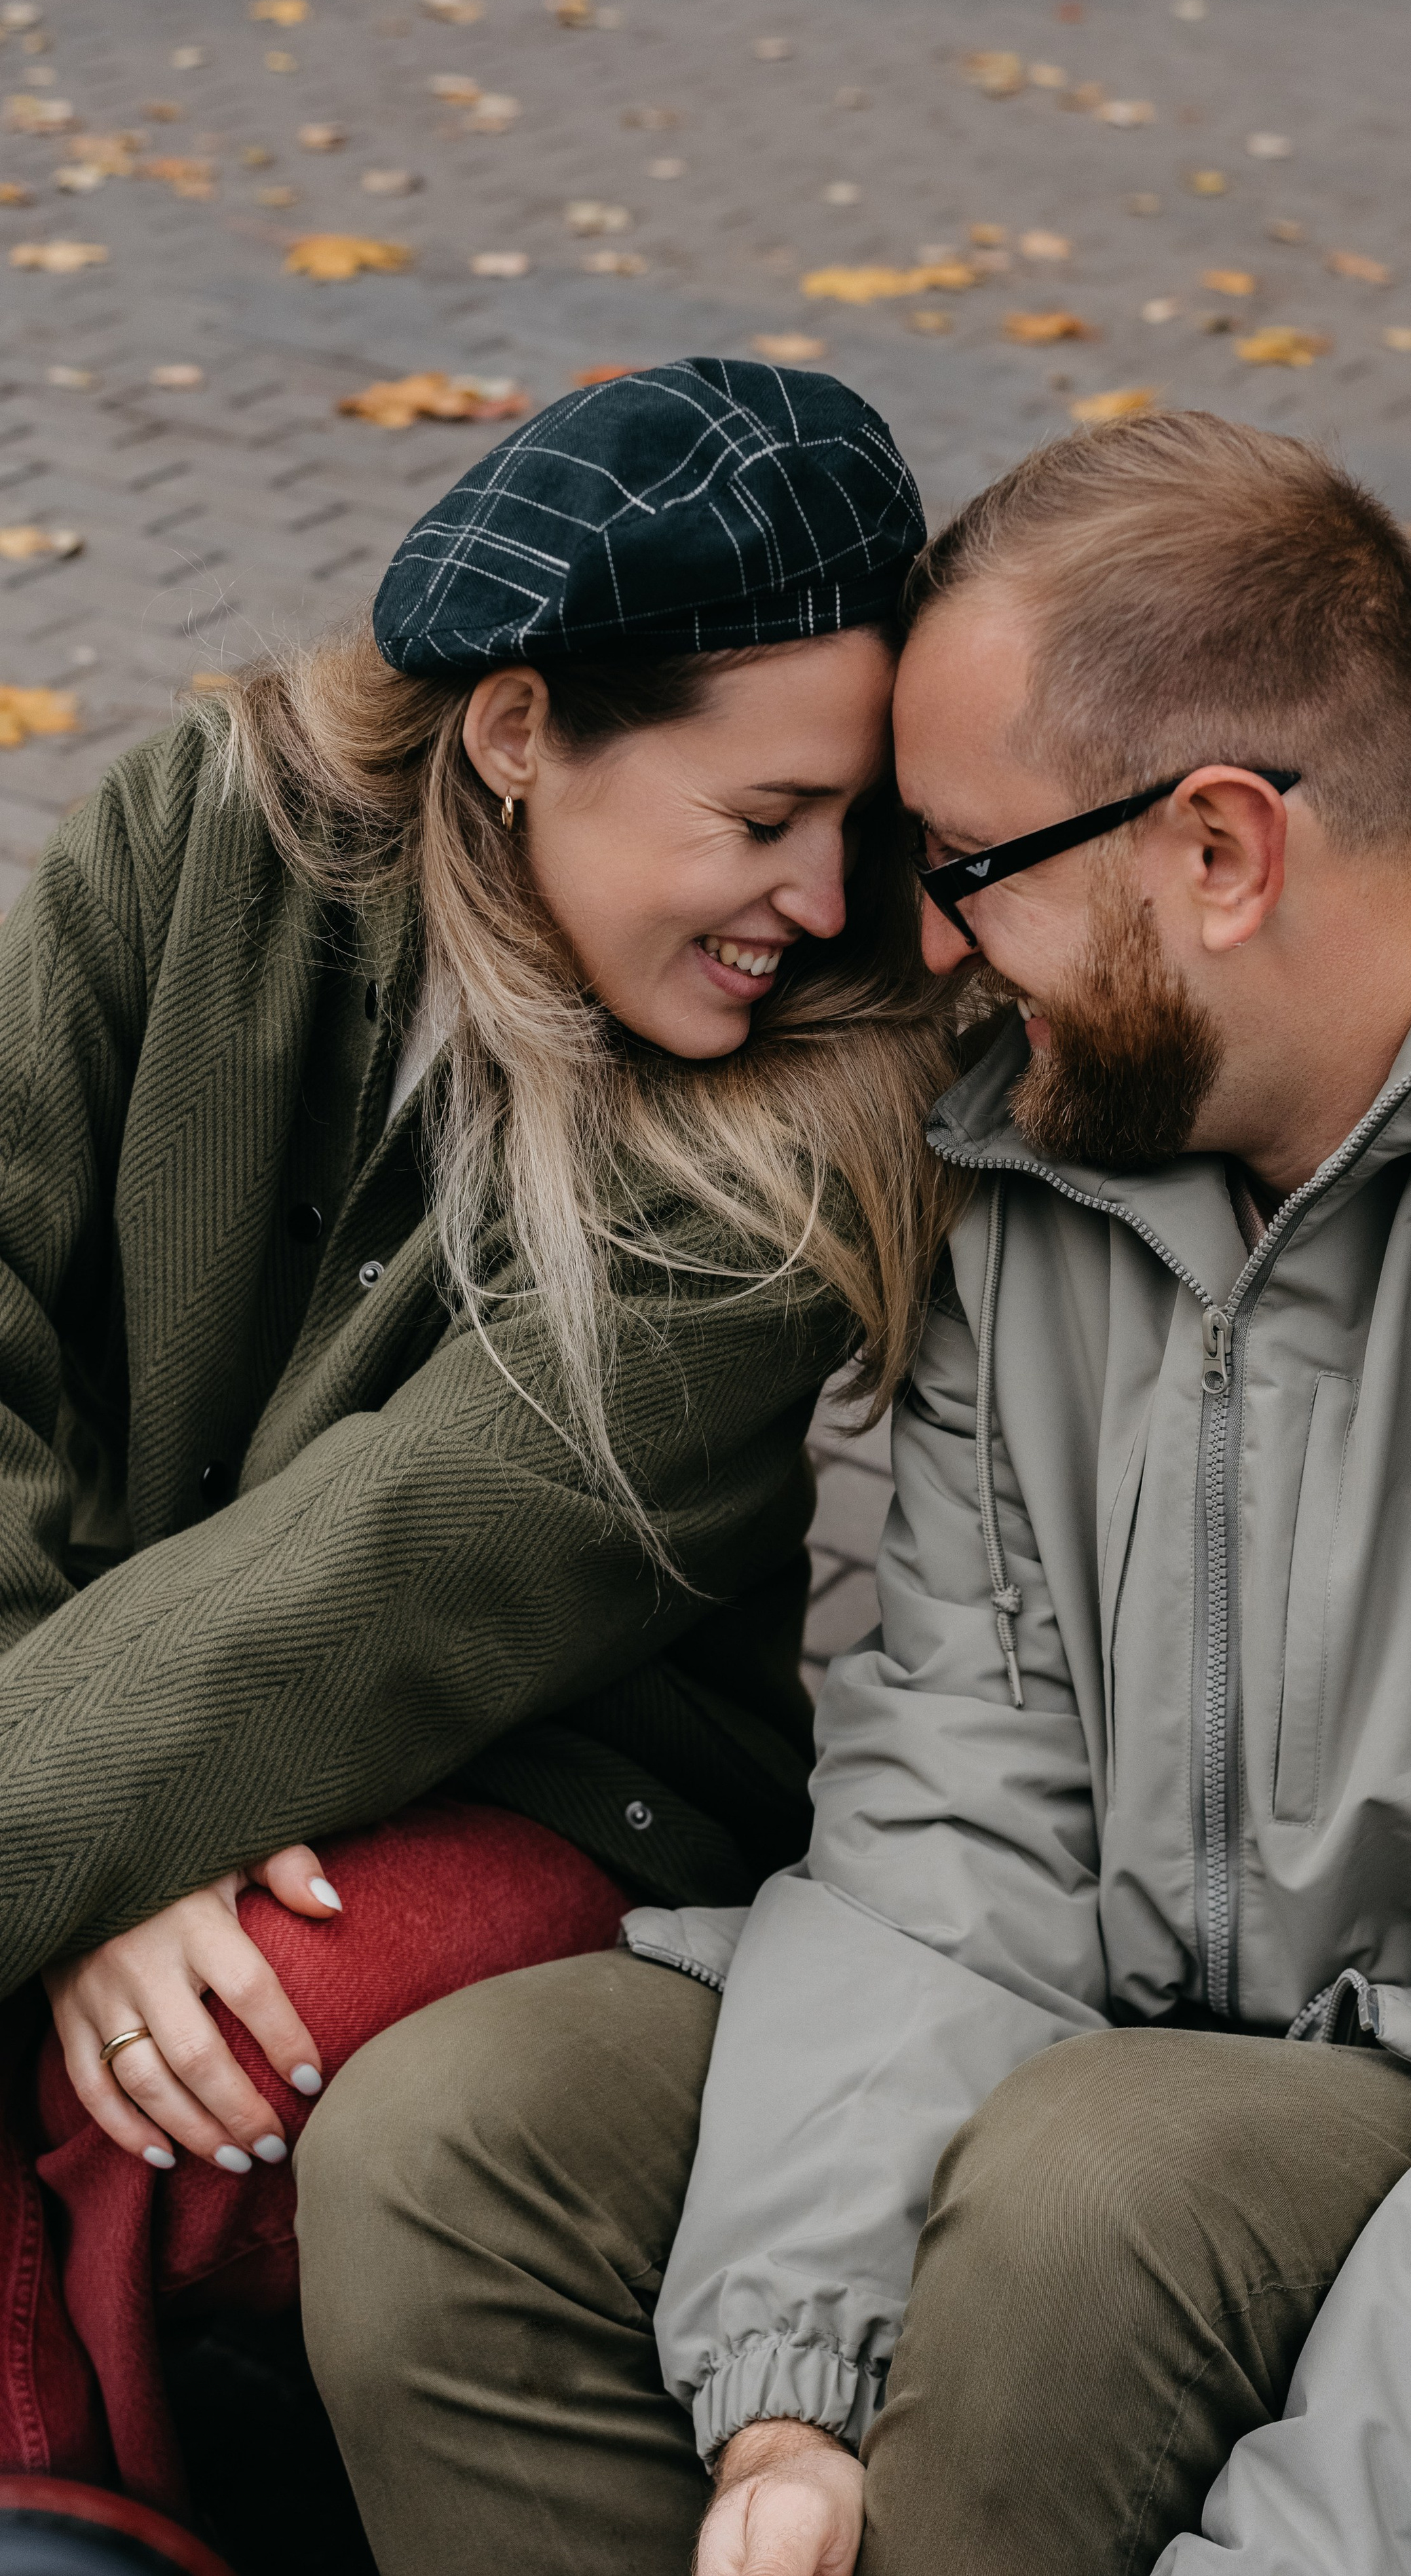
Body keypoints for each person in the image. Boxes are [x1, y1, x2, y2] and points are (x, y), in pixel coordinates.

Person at [297, 407, 1411, 2576]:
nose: (921, 948)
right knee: (450, 2140)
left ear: (1223, 851)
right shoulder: (1052, 1144)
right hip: (1085, 2028)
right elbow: (959, 1793)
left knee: (1088, 2194)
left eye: (963, 869)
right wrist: (792, 2382)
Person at [0, 356, 964, 2530]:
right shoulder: (204, 832)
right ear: (518, 731)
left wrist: (65, 1844)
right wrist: (75, 1849)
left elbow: (402, 1577)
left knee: (191, 2074)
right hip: (87, 1720)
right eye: (761, 816)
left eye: (859, 822)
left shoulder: (812, 1120)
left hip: (541, 1801)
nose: (822, 900)